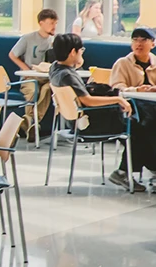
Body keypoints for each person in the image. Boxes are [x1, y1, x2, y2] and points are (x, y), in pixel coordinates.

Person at [47, 33, 136, 187]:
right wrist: (117, 99)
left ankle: (153, 166)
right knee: (138, 130)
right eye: (81, 50)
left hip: (73, 122)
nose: (82, 53)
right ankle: (131, 171)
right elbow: (87, 100)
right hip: (88, 125)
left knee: (137, 131)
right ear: (73, 52)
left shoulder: (54, 69)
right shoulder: (68, 75)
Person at [109, 28, 156, 186]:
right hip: (129, 111)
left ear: (153, 44)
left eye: (143, 40)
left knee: (150, 124)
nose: (138, 43)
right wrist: (136, 89)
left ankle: (125, 171)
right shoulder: (122, 64)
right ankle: (155, 165)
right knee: (145, 126)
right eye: (135, 40)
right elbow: (116, 89)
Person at [10, 8, 60, 131]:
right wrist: (26, 70)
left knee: (48, 89)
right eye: (50, 23)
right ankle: (33, 124)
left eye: (55, 23)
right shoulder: (28, 38)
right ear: (41, 23)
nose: (53, 26)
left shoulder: (55, 41)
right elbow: (12, 55)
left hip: (47, 78)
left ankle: (30, 120)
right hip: (30, 77)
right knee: (33, 91)